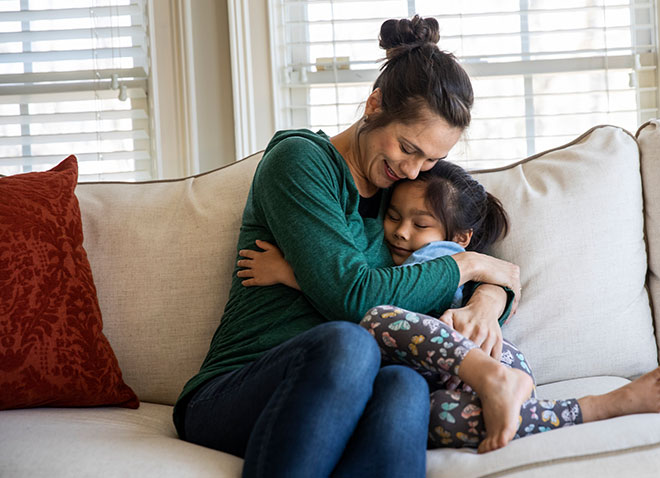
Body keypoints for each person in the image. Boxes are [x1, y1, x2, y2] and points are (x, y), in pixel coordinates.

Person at [173, 15, 522, 478]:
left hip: (356, 386)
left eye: (432, 159)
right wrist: (472, 266)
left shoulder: (404, 196)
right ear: (374, 104)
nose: (415, 171)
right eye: (407, 148)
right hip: (238, 386)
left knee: (404, 384)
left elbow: (457, 261)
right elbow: (352, 296)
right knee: (349, 342)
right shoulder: (300, 162)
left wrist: (489, 294)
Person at [240, 160, 660, 454]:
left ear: (460, 239)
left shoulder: (439, 258)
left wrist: (291, 275)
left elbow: (372, 300)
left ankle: (501, 383)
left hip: (475, 357)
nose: (400, 233)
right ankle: (595, 407)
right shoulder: (423, 253)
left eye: (420, 224)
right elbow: (346, 283)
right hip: (451, 379)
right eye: (393, 217)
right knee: (444, 423)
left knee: (378, 318)